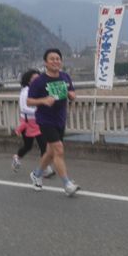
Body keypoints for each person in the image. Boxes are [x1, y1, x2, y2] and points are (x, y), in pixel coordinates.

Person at [27, 48, 80, 196]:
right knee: (59, 149)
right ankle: (67, 184)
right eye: (52, 59)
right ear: (45, 62)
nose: (55, 61)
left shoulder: (65, 77)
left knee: (51, 152)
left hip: (60, 119)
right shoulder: (39, 81)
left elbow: (73, 93)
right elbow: (29, 101)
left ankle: (37, 174)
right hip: (45, 120)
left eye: (58, 59)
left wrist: (70, 95)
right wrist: (43, 100)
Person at [12, 69, 54, 178]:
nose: (37, 80)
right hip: (28, 123)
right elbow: (24, 108)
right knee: (28, 146)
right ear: (28, 80)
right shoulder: (25, 92)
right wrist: (38, 110)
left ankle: (45, 169)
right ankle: (17, 157)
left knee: (44, 145)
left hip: (38, 122)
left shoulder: (37, 90)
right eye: (34, 78)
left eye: (38, 78)